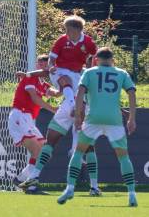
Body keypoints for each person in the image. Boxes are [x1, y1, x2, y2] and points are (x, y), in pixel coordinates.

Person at [19, 15, 101, 196]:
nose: (66, 33)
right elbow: (48, 66)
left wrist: (90, 64)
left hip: (82, 106)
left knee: (86, 147)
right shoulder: (62, 41)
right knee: (51, 141)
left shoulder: (88, 50)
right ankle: (34, 177)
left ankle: (94, 186)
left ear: (78, 30)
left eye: (69, 30)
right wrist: (31, 73)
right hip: (66, 87)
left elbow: (95, 55)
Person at [57, 47, 137, 207]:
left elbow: (80, 93)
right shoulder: (122, 73)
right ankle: (132, 194)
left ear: (96, 59)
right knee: (123, 157)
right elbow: (132, 93)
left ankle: (70, 188)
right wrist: (132, 119)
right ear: (112, 60)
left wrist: (78, 115)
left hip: (93, 118)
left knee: (79, 152)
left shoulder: (89, 72)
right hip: (114, 119)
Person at [9, 54, 59, 194]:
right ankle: (31, 186)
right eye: (40, 64)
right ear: (37, 66)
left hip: (28, 119)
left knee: (44, 152)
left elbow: (55, 93)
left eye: (46, 65)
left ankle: (21, 179)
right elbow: (35, 98)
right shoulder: (29, 78)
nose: (43, 67)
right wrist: (53, 109)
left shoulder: (43, 83)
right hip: (20, 115)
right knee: (37, 151)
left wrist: (66, 83)